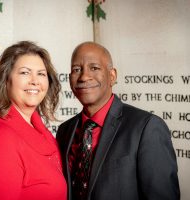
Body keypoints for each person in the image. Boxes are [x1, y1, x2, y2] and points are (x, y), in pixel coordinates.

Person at [56, 41, 180, 200]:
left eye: (94, 68)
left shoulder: (147, 127)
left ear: (112, 76)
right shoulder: (65, 130)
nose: (84, 76)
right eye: (76, 69)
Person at [0, 41, 67, 200]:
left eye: (41, 73)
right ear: (6, 80)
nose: (35, 81)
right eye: (25, 72)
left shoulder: (42, 132)